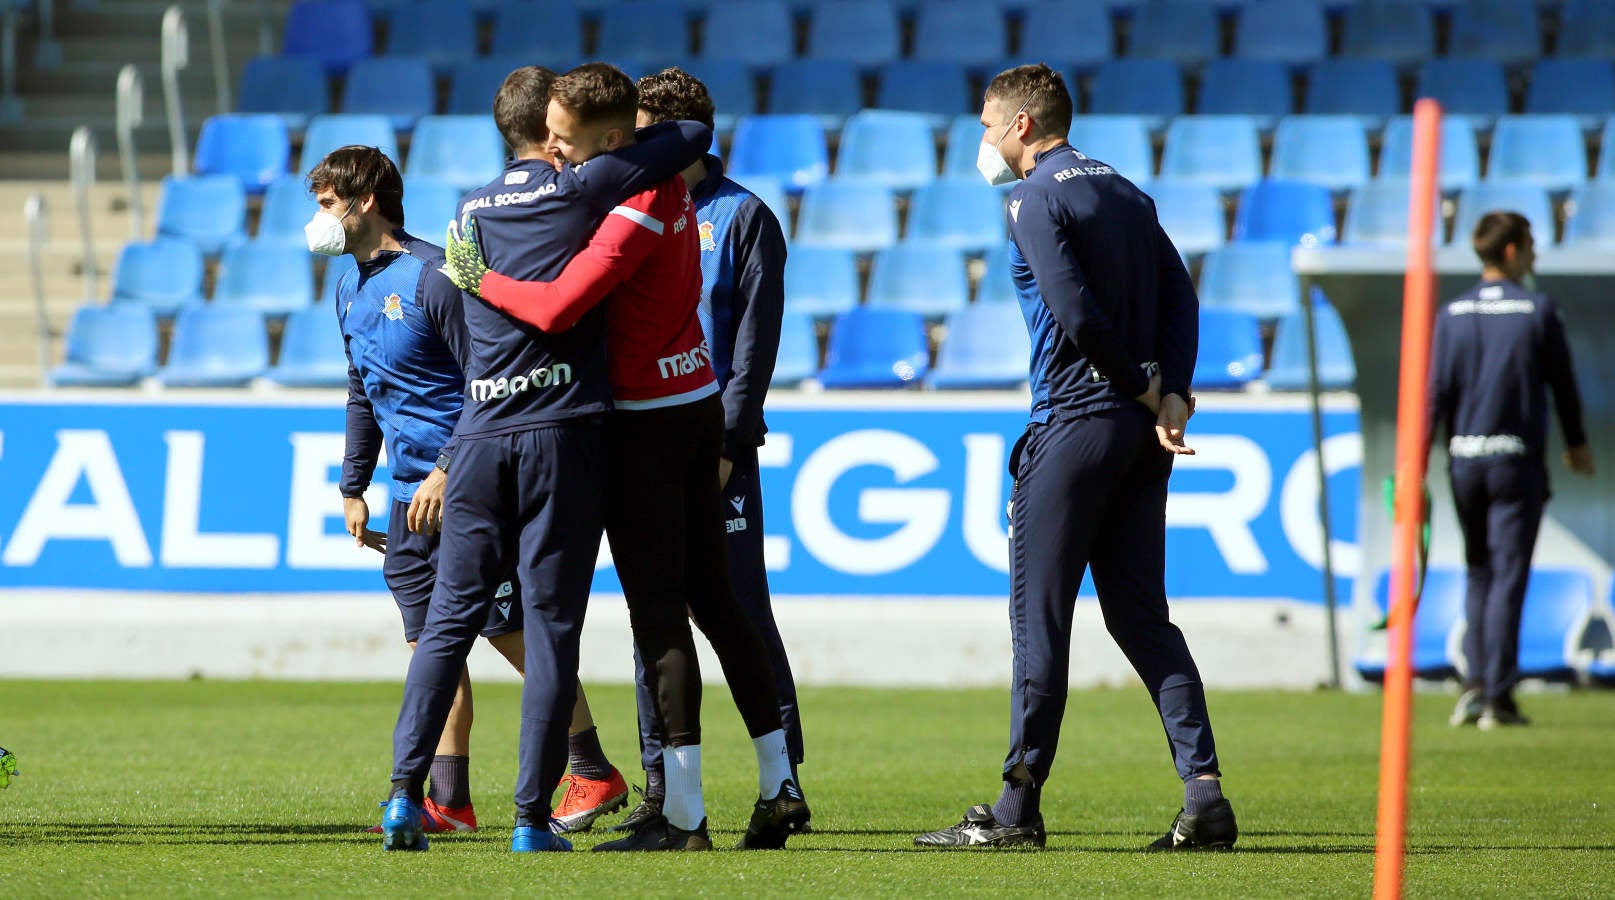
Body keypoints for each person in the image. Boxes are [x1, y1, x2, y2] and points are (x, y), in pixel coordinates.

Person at [442, 62, 808, 852]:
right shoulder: (669, 183)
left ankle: (681, 817)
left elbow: (556, 305)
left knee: (658, 620)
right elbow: (686, 135)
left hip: (643, 423)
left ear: (617, 141)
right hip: (694, 402)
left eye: (569, 143)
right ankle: (779, 784)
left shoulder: (634, 202)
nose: (560, 156)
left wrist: (480, 278)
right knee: (718, 601)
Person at [378, 65, 713, 854]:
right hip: (563, 434)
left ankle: (402, 798)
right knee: (551, 626)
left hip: (480, 437)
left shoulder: (464, 213)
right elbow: (689, 137)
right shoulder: (584, 191)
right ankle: (531, 820)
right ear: (553, 134)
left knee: (447, 626)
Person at [914, 64, 1235, 852]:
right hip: (1137, 431)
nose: (984, 141)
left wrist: (1130, 384)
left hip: (1076, 424)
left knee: (1040, 620)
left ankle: (1016, 810)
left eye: (988, 126)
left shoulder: (1031, 197)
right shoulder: (1125, 190)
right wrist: (1170, 394)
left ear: (1022, 125)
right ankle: (1204, 796)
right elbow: (1180, 297)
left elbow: (1073, 310)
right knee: (1141, 619)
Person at [589, 65, 804, 836]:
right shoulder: (635, 202)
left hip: (711, 441)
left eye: (639, 131)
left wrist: (731, 441)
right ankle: (662, 782)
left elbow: (754, 346)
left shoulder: (744, 217)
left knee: (729, 604)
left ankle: (781, 776)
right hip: (653, 428)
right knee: (666, 613)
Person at [310, 145, 527, 836]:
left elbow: (487, 384)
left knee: (510, 634)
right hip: (407, 502)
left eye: (323, 203)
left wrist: (444, 470)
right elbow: (361, 389)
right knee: (432, 649)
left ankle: (590, 766)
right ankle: (451, 803)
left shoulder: (435, 275)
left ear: (363, 200)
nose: (314, 219)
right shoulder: (347, 285)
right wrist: (353, 485)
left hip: (467, 488)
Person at [1428, 211, 1593, 730]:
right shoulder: (1538, 310)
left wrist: (1414, 464)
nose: (1535, 256)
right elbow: (1562, 385)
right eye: (1531, 245)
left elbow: (1433, 394)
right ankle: (1498, 696)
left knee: (1478, 573)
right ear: (1511, 251)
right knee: (1508, 578)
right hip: (1514, 462)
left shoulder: (1451, 313)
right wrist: (1577, 445)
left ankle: (1477, 686)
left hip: (1464, 463)